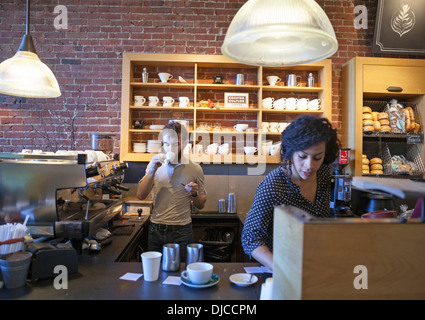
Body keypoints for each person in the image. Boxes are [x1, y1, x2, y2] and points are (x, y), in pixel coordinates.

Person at [241, 115, 340, 271]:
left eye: (317, 157)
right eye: (302, 156)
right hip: (283, 266)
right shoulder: (273, 185)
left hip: (316, 262)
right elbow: (250, 237)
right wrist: (281, 267)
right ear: (290, 152)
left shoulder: (323, 173)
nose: (310, 165)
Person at [137, 121, 207, 261]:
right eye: (167, 144)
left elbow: (201, 204)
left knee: (181, 274)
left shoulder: (195, 169)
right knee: (155, 275)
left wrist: (193, 193)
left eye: (176, 144)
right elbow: (140, 195)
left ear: (186, 143)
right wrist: (151, 171)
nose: (171, 149)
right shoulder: (154, 164)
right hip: (156, 228)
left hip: (182, 231)